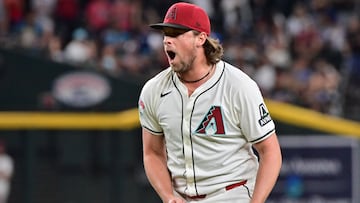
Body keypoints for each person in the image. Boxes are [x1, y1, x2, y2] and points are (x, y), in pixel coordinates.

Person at [138, 2, 282, 203]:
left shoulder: (237, 85)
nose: (167, 41)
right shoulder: (154, 90)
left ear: (201, 38)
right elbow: (152, 152)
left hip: (231, 193)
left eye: (176, 33)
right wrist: (168, 196)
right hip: (182, 197)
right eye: (166, 34)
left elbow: (270, 151)